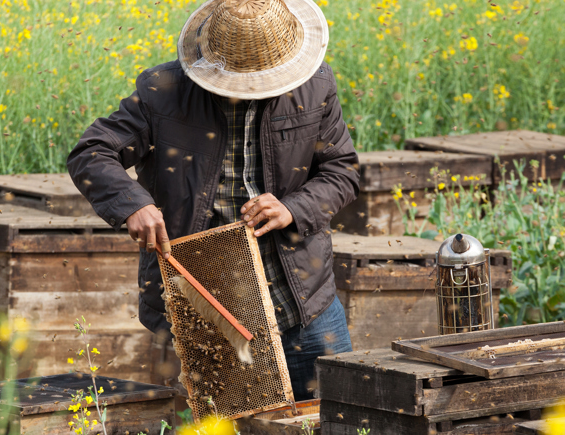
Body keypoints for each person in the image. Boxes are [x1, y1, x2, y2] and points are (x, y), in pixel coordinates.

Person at [67, 0, 359, 399]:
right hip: (203, 305)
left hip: (303, 300)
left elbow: (341, 171)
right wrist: (131, 202)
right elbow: (92, 152)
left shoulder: (316, 85)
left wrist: (294, 207)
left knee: (335, 416)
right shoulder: (163, 91)